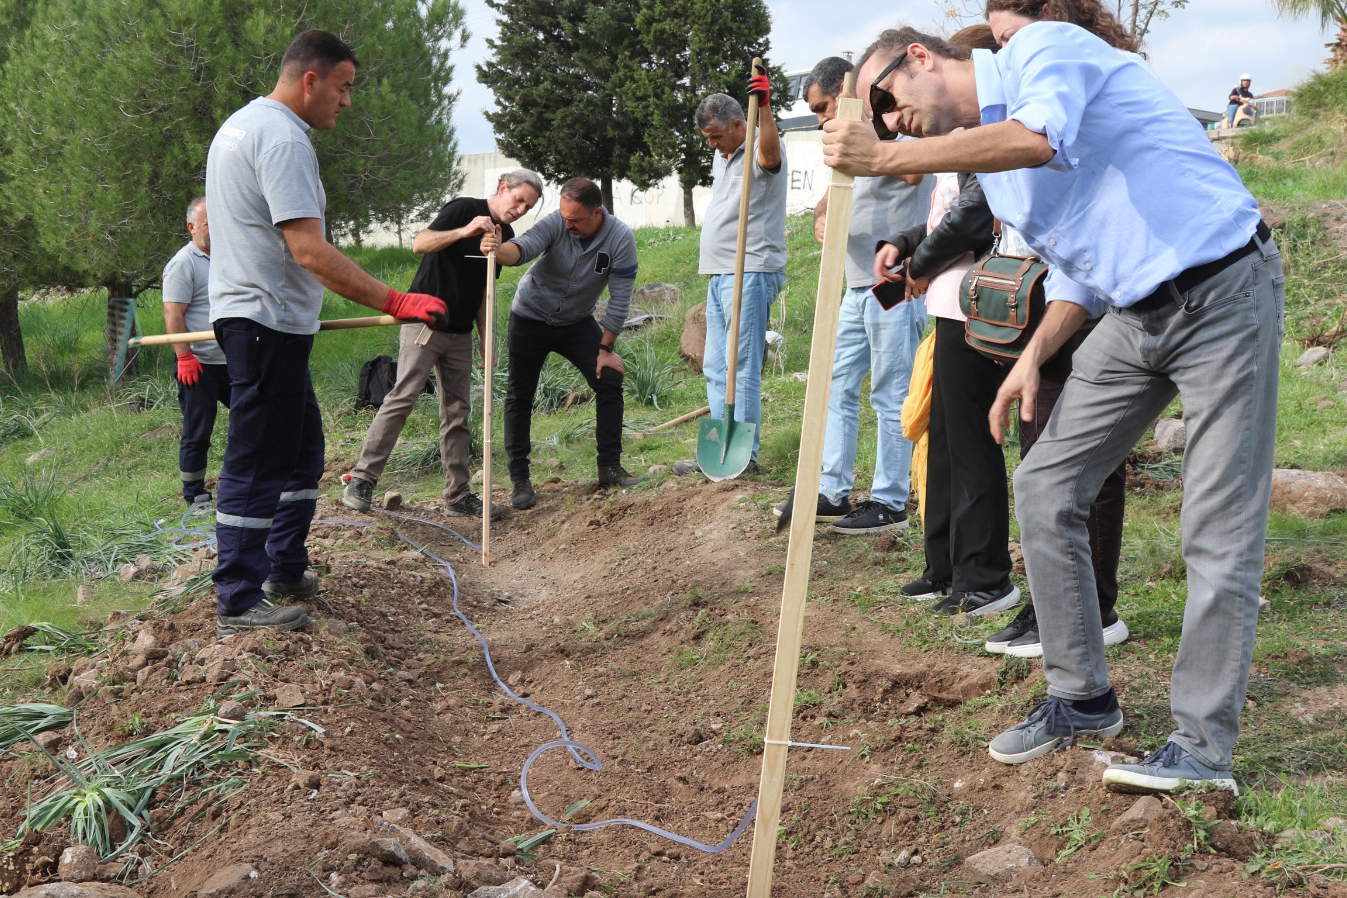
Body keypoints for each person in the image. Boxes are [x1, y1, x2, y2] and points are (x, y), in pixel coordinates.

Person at [823, 22, 1281, 794]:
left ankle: (1202, 751)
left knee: (1215, 528)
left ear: (920, 57)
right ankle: (1081, 698)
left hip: (1222, 292)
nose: (890, 123)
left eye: (885, 102)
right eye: (879, 123)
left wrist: (884, 158)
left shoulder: (1041, 53)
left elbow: (1036, 140)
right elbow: (1078, 264)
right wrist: (1032, 356)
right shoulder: (988, 168)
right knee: (1044, 484)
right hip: (1132, 314)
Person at [206, 29, 449, 638]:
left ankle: (283, 568)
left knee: (302, 450)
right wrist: (396, 300)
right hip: (263, 322)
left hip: (266, 321)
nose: (347, 101)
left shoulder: (242, 124)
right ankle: (238, 598)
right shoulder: (284, 138)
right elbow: (309, 250)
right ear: (309, 79)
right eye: (343, 87)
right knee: (258, 459)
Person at [968, 0, 1133, 656]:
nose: (1005, 57)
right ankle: (1053, 604)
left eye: (1009, 39)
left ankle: (1093, 608)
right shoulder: (1023, 103)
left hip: (1099, 306)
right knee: (1040, 456)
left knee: (1082, 467)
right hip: (1055, 300)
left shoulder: (1077, 98)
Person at [775, 56, 930, 534]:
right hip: (856, 286)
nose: (820, 119)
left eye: (823, 107)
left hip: (894, 286)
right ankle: (832, 490)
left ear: (846, 96)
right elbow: (832, 194)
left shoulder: (895, 128)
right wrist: (821, 216)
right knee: (836, 385)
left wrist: (864, 136)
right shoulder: (848, 146)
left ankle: (890, 501)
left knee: (891, 391)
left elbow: (915, 173)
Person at [341, 170, 543, 519]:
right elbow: (420, 243)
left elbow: (484, 290)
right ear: (502, 188)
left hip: (460, 333)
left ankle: (457, 495)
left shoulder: (503, 235)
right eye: (519, 200)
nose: (521, 209)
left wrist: (486, 339)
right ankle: (361, 480)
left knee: (457, 412)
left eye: (529, 206)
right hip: (425, 323)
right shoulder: (464, 209)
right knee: (403, 398)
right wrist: (464, 231)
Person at [480, 177, 642, 511]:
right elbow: (524, 247)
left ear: (596, 212)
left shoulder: (620, 238)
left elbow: (620, 299)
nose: (568, 224)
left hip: (576, 321)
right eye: (565, 217)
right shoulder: (557, 222)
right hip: (529, 317)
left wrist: (605, 350)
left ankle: (610, 467)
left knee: (609, 379)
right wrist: (498, 250)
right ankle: (520, 479)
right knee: (520, 394)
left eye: (575, 219)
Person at [673, 74, 787, 476]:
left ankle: (746, 456)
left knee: (742, 365)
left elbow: (770, 158)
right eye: (708, 138)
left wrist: (766, 107)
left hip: (750, 270)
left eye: (716, 137)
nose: (712, 145)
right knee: (716, 366)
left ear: (739, 124)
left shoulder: (761, 145)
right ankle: (721, 448)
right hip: (720, 274)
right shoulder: (722, 156)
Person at [162, 196, 230, 510]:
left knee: (253, 418)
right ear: (191, 227)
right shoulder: (183, 264)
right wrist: (184, 357)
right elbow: (173, 313)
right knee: (198, 431)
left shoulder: (229, 257)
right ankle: (194, 494)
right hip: (199, 365)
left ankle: (246, 479)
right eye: (207, 224)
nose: (215, 229)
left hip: (232, 361)